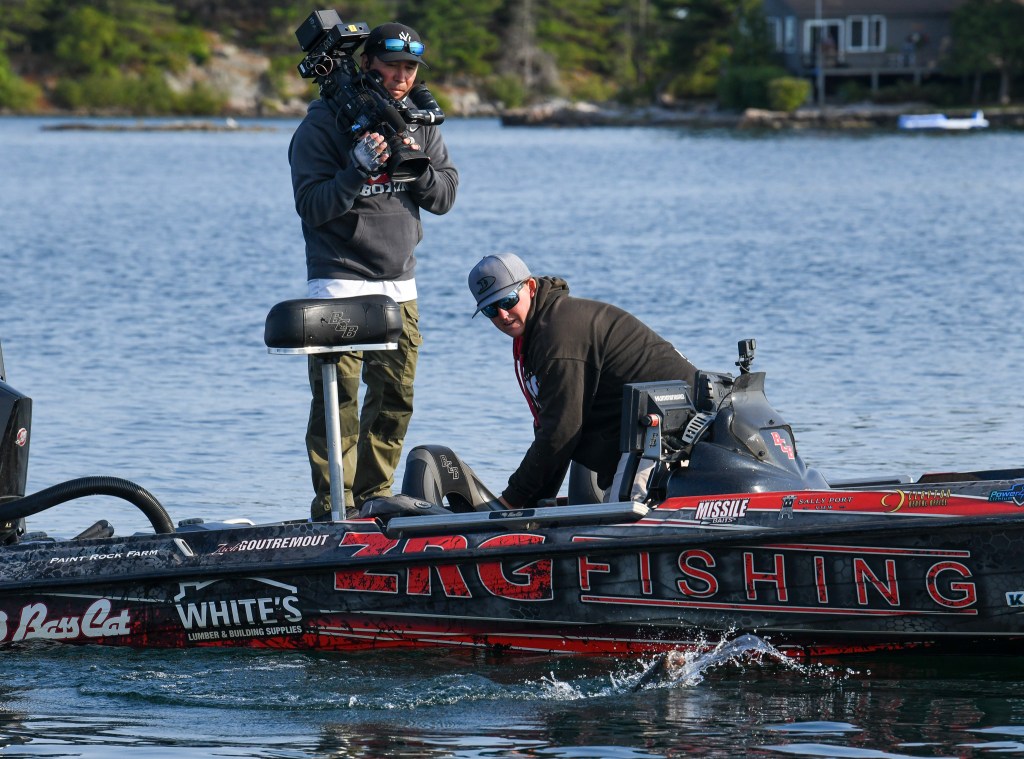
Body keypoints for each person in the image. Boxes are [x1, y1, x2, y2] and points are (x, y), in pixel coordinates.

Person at [289, 22, 459, 520]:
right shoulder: (322, 126)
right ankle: (334, 508)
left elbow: (445, 196)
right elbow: (312, 206)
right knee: (336, 403)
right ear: (367, 64)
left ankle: (371, 500)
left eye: (410, 68)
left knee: (394, 400)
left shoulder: (419, 121)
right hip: (338, 281)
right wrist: (356, 169)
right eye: (393, 67)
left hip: (400, 286)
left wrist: (415, 161)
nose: (403, 77)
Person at [468, 253, 698, 508]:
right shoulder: (540, 331)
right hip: (637, 435)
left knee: (618, 519)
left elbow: (560, 432)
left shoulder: (557, 336)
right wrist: (530, 507)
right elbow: (555, 434)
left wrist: (511, 501)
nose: (503, 314)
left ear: (530, 287)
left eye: (508, 300)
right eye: (490, 309)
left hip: (674, 433)